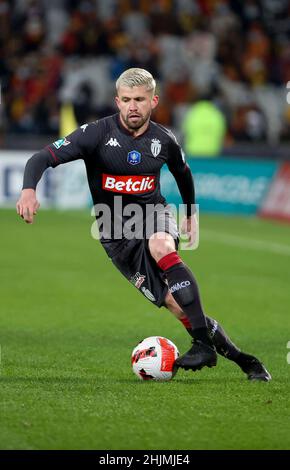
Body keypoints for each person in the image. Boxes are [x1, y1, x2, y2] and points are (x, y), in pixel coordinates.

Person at [16, 68, 271, 381]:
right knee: (177, 307)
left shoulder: (163, 140)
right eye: (125, 100)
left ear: (154, 101)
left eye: (139, 99)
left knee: (161, 244)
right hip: (115, 234)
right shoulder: (95, 134)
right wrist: (29, 189)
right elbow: (41, 158)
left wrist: (190, 212)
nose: (132, 106)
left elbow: (183, 173)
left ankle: (202, 344)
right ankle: (245, 361)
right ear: (117, 101)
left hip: (153, 214)